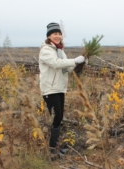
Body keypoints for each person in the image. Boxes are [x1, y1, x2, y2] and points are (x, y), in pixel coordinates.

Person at [39, 22, 85, 154]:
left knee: (59, 117)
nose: (58, 36)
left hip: (59, 88)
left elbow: (67, 68)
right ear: (49, 36)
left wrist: (80, 64)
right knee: (55, 117)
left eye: (59, 33)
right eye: (55, 34)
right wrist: (75, 60)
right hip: (50, 89)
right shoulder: (46, 50)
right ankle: (52, 150)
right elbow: (56, 63)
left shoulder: (59, 50)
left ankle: (55, 147)